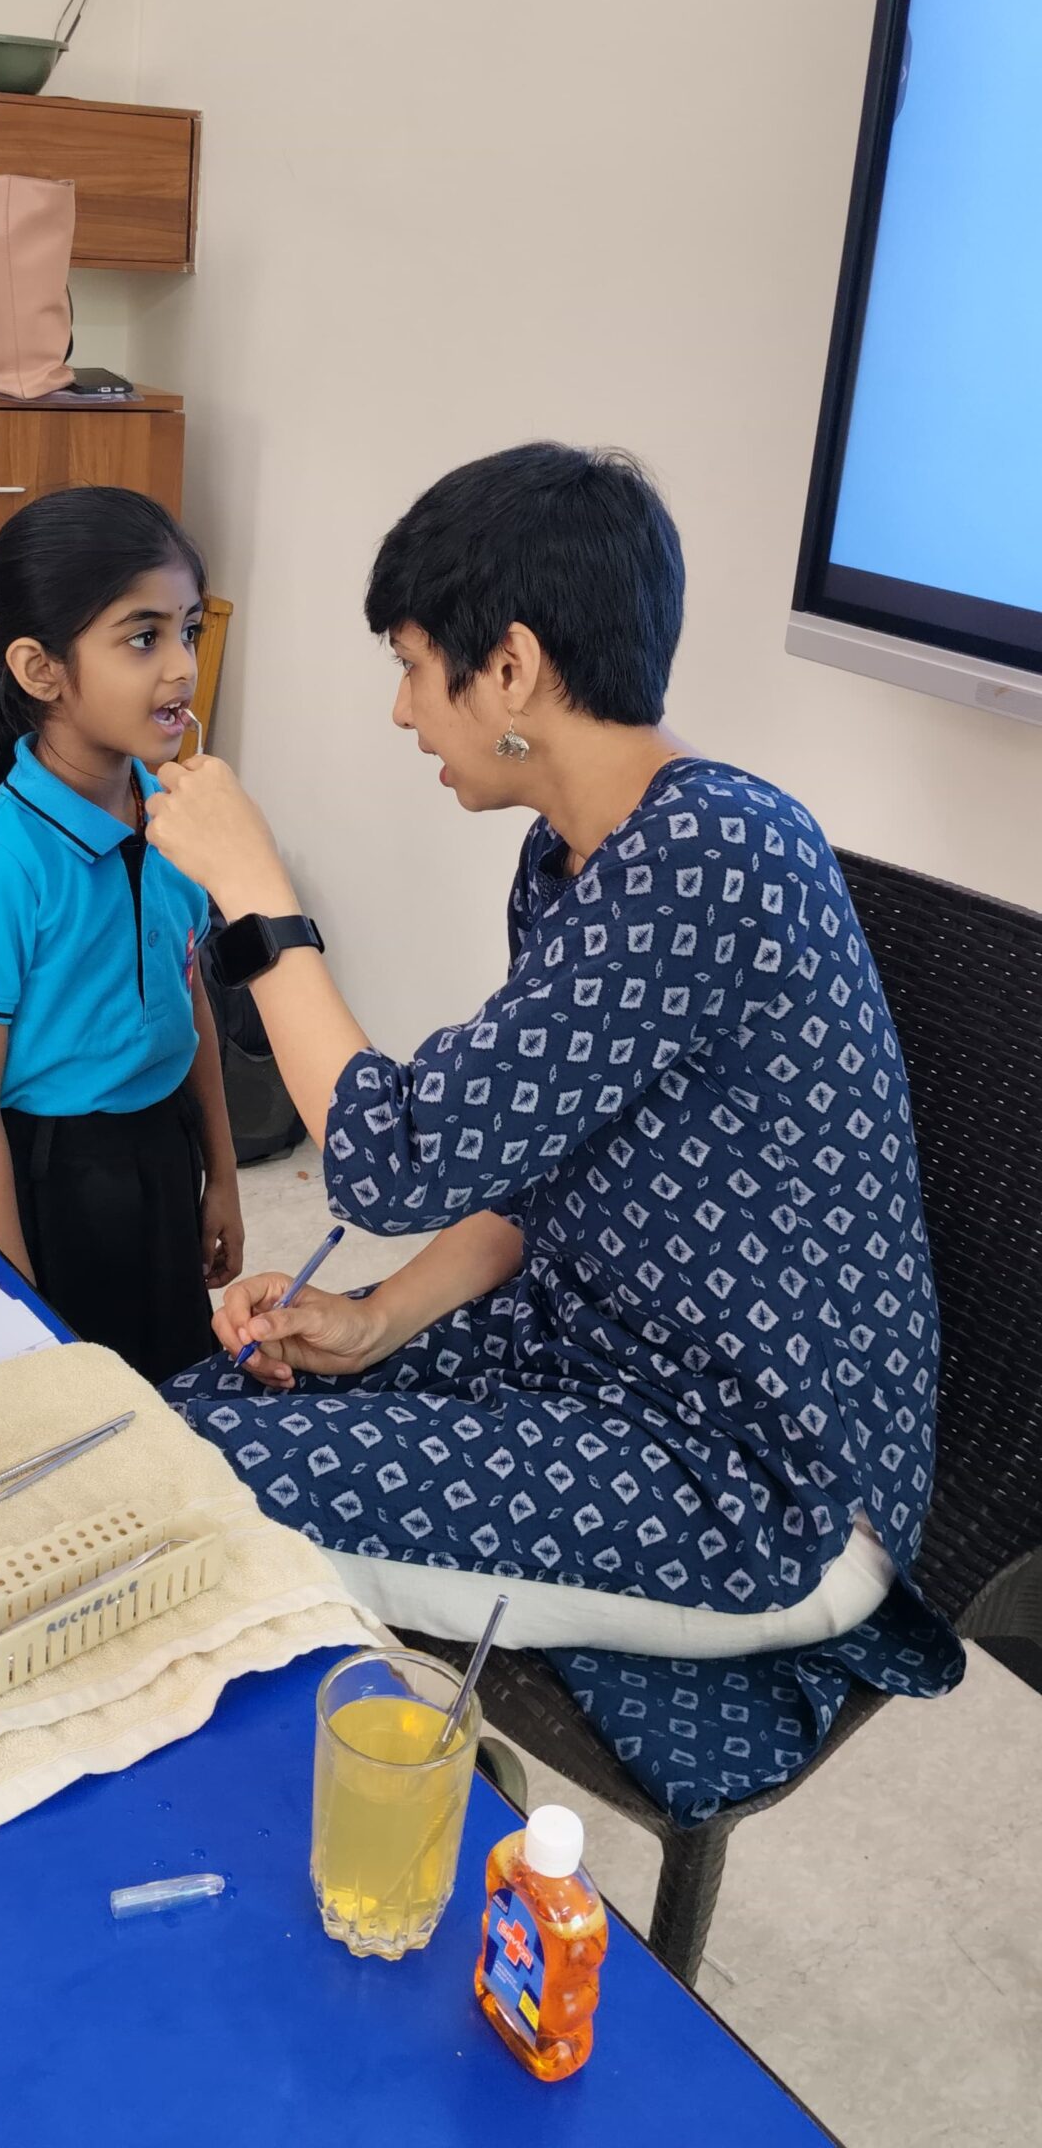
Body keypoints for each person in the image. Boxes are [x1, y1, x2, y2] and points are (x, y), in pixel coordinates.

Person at [145, 442, 960, 1810]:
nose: (404, 709)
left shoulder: (715, 855)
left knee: (202, 1497)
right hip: (604, 1357)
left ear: (511, 668)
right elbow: (524, 1171)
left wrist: (256, 893)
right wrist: (378, 1319)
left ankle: (345, 1842)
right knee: (199, 1408)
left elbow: (391, 1157)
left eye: (415, 667)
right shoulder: (575, 857)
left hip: (761, 1475)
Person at [0, 487, 243, 1385]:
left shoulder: (177, 819)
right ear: (41, 671)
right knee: (71, 1401)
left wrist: (223, 1177)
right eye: (142, 637)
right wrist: (9, 1298)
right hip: (52, 1182)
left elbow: (191, 1000)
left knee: (170, 1389)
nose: (181, 668)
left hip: (162, 1152)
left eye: (188, 630)